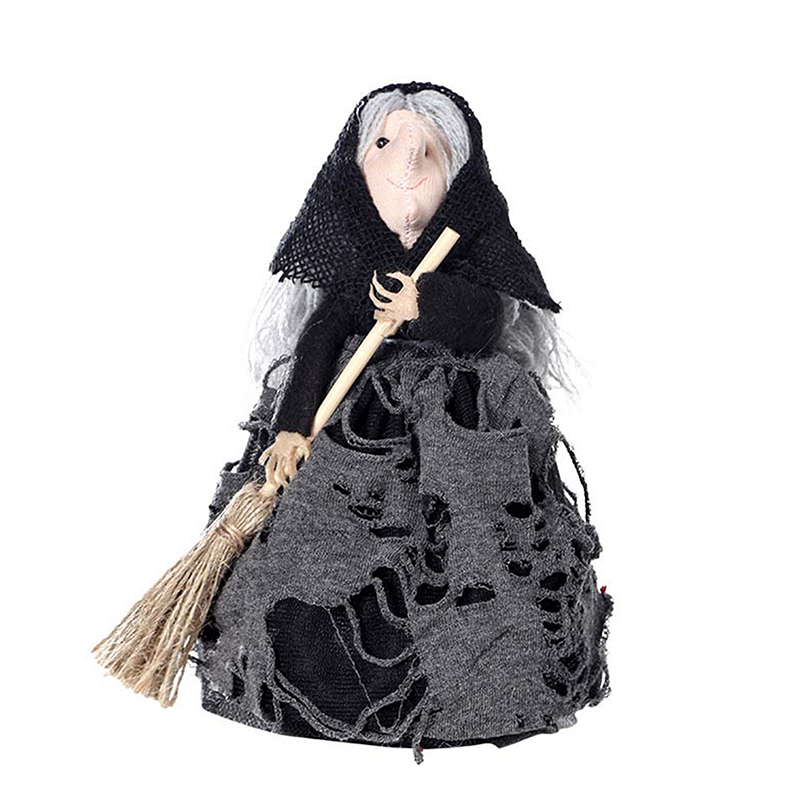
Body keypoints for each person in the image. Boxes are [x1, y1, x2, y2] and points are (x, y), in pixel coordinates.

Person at [194, 82, 613, 763]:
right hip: (351, 421)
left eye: (430, 150)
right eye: (386, 145)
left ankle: (480, 680)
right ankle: (311, 678)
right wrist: (293, 428)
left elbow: (483, 319)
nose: (408, 166)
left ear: (460, 175)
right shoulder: (358, 265)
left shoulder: (471, 256)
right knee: (317, 532)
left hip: (459, 418)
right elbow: (321, 338)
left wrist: (426, 304)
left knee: (472, 532)